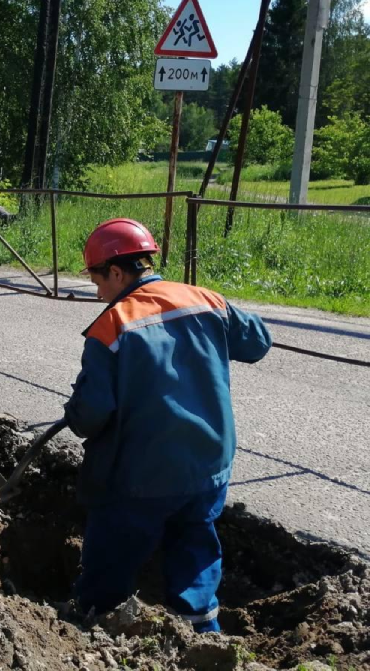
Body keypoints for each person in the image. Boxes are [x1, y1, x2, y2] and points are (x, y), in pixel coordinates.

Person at [64, 218, 272, 633]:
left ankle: (91, 621)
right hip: (209, 464)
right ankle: (201, 637)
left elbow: (90, 417)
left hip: (144, 475)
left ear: (117, 272)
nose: (98, 291)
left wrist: (75, 409)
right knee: (194, 545)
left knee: (113, 546)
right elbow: (258, 342)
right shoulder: (204, 300)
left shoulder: (112, 326)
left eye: (97, 280)